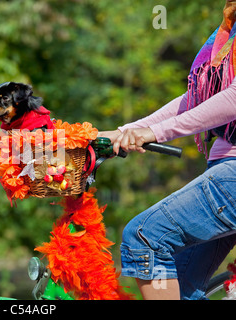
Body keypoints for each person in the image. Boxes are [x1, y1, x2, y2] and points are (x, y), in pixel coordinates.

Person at [99, 1, 236, 299]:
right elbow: (198, 97)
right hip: (225, 170)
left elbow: (234, 98)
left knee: (145, 236)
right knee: (181, 287)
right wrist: (126, 132)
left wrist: (154, 132)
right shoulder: (230, 32)